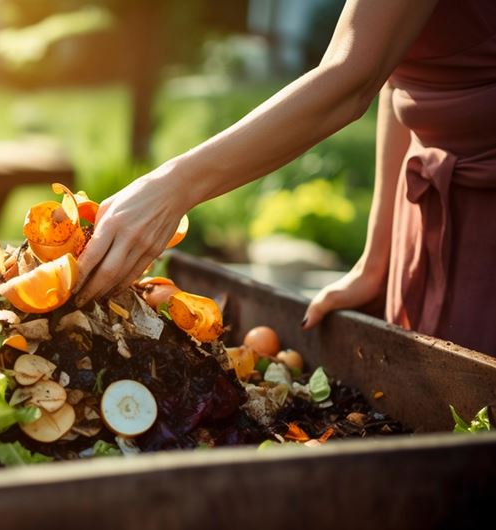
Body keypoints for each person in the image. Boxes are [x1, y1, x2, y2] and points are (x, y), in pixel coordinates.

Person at [74, 0, 496, 355]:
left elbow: (351, 80)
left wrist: (175, 186)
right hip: (421, 209)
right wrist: (376, 261)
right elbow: (393, 75)